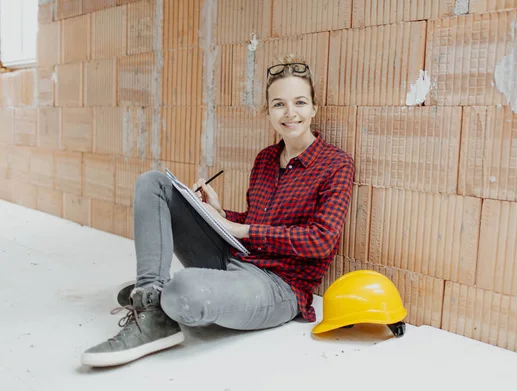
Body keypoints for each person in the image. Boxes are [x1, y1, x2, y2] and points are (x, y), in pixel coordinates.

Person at [80, 54, 355, 367]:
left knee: (184, 288)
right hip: (235, 257)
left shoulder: (336, 164)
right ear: (268, 112)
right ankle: (152, 302)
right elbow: (255, 224)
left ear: (314, 108)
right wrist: (220, 212)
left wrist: (242, 229)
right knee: (153, 183)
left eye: (300, 102)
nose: (290, 113)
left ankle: (164, 298)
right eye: (279, 104)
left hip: (279, 286)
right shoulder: (266, 159)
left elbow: (322, 240)